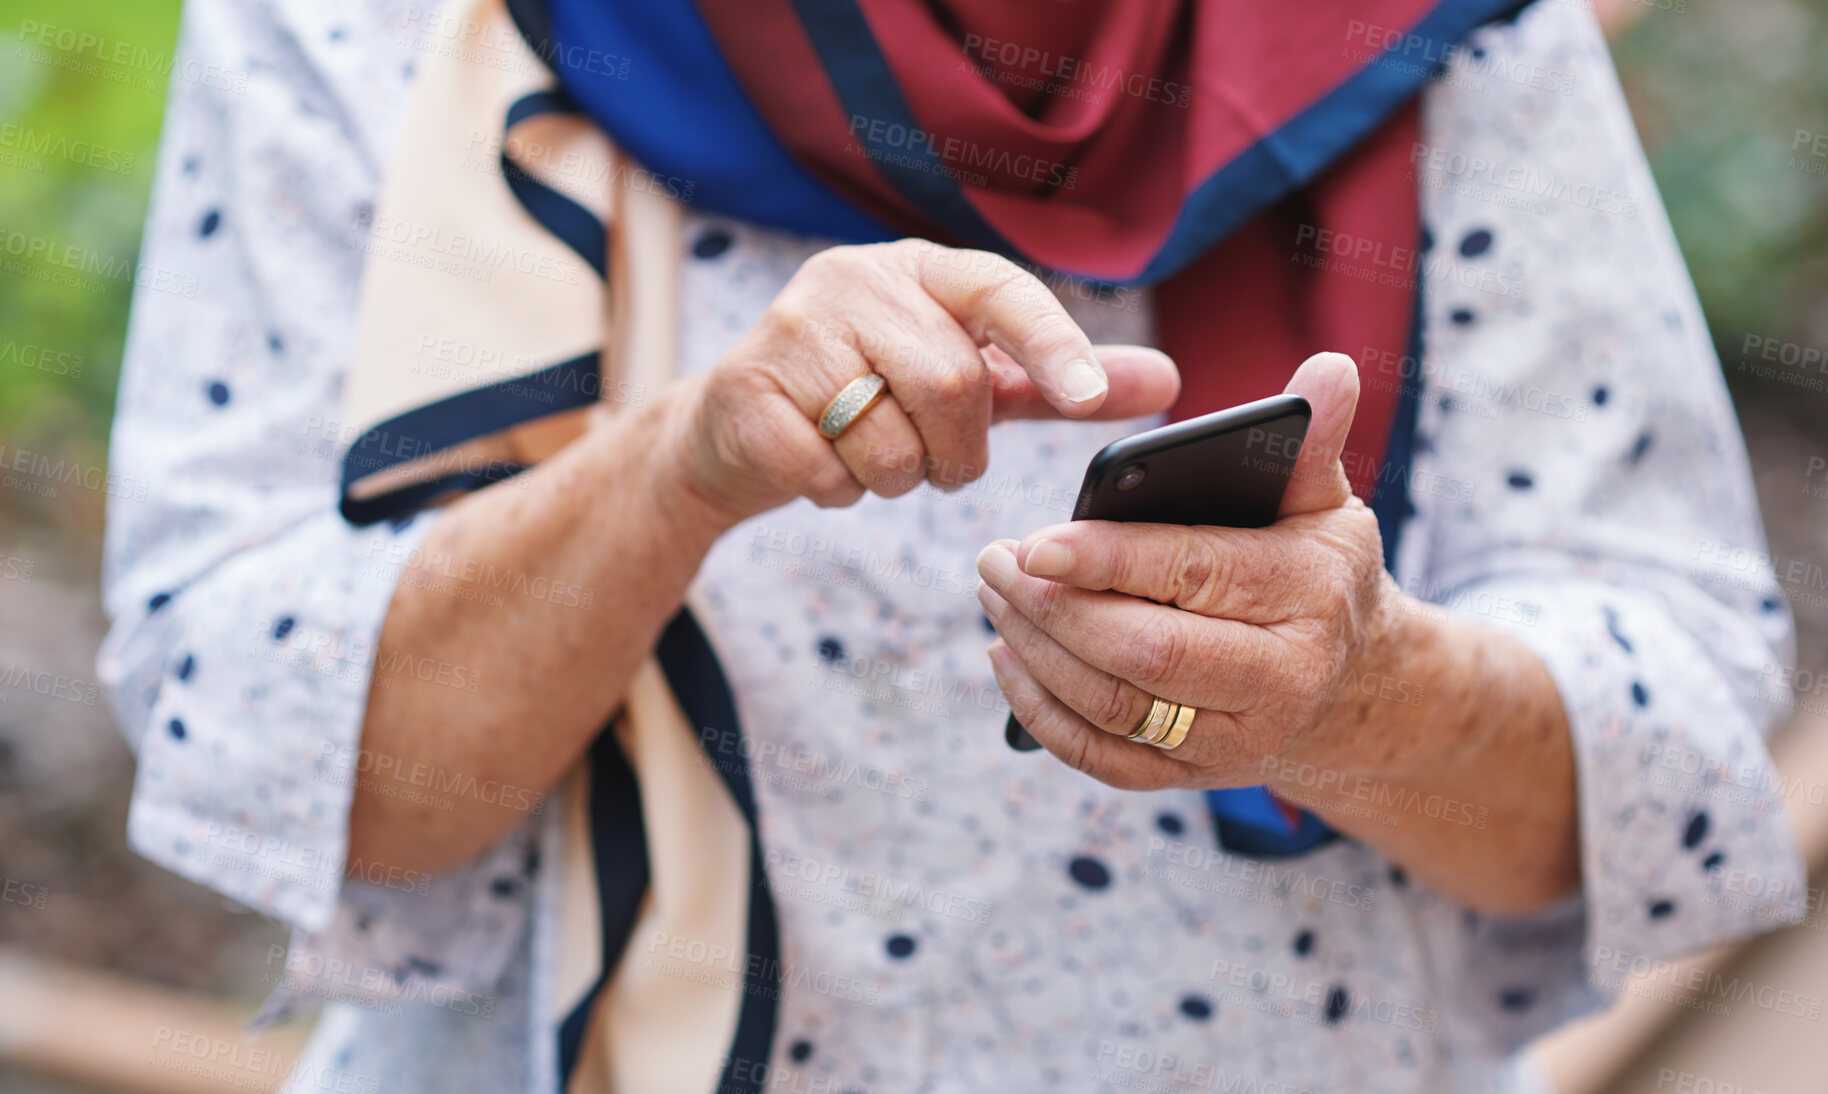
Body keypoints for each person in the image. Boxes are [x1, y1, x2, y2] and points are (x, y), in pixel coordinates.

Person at [99, 0, 1804, 1090]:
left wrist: (1358, 694)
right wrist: (673, 473)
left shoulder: (1436, 29)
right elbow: (260, 742)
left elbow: (1674, 739)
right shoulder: (373, 28)